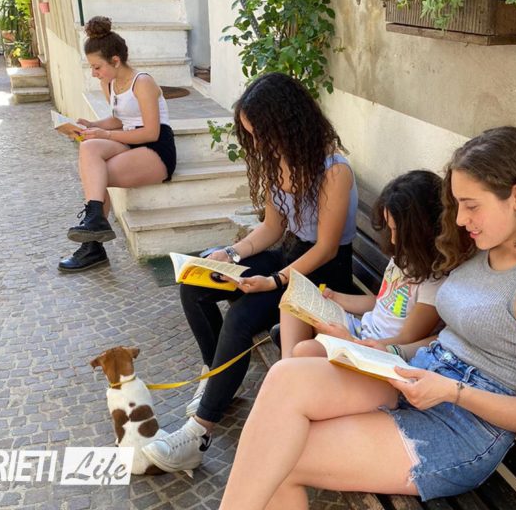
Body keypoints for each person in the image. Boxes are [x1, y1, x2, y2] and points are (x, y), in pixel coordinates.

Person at [215, 126, 516, 509]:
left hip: (461, 426)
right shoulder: (482, 252)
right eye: (457, 204)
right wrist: (383, 350)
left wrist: (452, 391)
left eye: (471, 205)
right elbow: (455, 337)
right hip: (418, 375)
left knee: (279, 459)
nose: (461, 219)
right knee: (284, 382)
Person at [141, 72, 358, 472]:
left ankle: (198, 432)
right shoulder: (280, 162)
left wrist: (274, 281)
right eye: (251, 135)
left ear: (288, 124)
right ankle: (216, 378)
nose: (257, 144)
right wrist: (229, 253)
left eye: (260, 134)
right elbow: (273, 228)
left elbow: (326, 248)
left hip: (322, 275)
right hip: (289, 256)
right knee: (196, 285)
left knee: (241, 317)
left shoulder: (334, 170)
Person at [282, 170, 445, 359]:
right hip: (362, 329)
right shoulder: (404, 258)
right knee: (292, 303)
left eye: (398, 231)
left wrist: (352, 341)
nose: (393, 240)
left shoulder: (435, 281)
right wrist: (335, 297)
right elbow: (380, 302)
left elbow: (406, 339)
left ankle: (290, 364)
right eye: (390, 229)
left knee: (304, 350)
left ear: (424, 229)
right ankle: (287, 364)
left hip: (378, 350)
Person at [58, 16, 176, 272]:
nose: (94, 73)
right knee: (88, 147)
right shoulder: (109, 83)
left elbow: (151, 132)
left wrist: (105, 134)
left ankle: (93, 245)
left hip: (156, 148)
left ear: (115, 60)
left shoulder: (142, 82)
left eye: (97, 67)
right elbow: (119, 119)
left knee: (95, 177)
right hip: (128, 138)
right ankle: (95, 223)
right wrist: (90, 125)